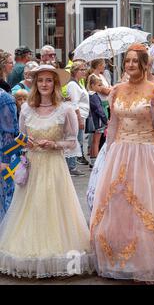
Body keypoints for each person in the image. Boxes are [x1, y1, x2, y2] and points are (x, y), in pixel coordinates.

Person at [90, 43, 154, 283]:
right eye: (127, 61)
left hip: (147, 151)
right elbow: (113, 124)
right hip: (119, 152)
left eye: (135, 61)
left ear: (145, 64)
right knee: (118, 205)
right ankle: (121, 258)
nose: (130, 65)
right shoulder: (116, 89)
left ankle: (151, 259)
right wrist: (109, 152)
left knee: (150, 204)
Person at [0, 65, 94, 278]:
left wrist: (54, 145)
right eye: (40, 80)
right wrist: (27, 143)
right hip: (33, 167)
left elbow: (72, 141)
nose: (44, 84)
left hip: (54, 166)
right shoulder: (26, 109)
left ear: (55, 84)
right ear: (35, 84)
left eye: (48, 80)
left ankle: (58, 253)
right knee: (32, 207)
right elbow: (19, 137)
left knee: (54, 206)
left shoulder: (66, 110)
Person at [66, 61, 90, 174]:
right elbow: (74, 103)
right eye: (82, 70)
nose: (84, 72)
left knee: (77, 140)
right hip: (76, 116)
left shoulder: (78, 82)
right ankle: (71, 166)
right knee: (75, 140)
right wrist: (79, 119)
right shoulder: (72, 84)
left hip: (81, 114)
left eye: (85, 69)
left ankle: (72, 165)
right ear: (75, 71)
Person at [0, 87, 18, 221]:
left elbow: (9, 132)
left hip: (3, 155)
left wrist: (5, 160)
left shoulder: (4, 98)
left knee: (5, 197)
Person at [85, 74, 107, 167]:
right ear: (92, 85)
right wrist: (105, 120)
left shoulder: (89, 95)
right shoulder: (93, 96)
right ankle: (96, 161)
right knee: (96, 141)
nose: (100, 87)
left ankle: (93, 160)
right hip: (98, 122)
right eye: (99, 85)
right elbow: (99, 109)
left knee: (94, 141)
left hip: (94, 121)